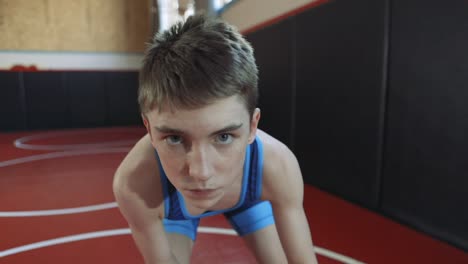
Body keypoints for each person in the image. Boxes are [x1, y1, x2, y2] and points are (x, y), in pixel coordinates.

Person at [113, 13, 318, 264]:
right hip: (175, 211)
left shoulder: (278, 165)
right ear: (148, 129)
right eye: (175, 138)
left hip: (247, 199)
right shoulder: (134, 183)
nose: (200, 172)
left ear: (253, 127)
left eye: (223, 136)